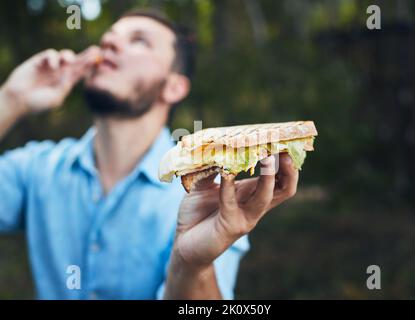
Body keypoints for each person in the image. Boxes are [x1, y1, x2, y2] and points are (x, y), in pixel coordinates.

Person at [0, 9, 299, 300]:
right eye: (109, 38)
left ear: (173, 87)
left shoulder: (211, 194)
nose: (108, 44)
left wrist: (192, 266)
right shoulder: (36, 169)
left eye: (139, 40)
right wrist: (11, 99)